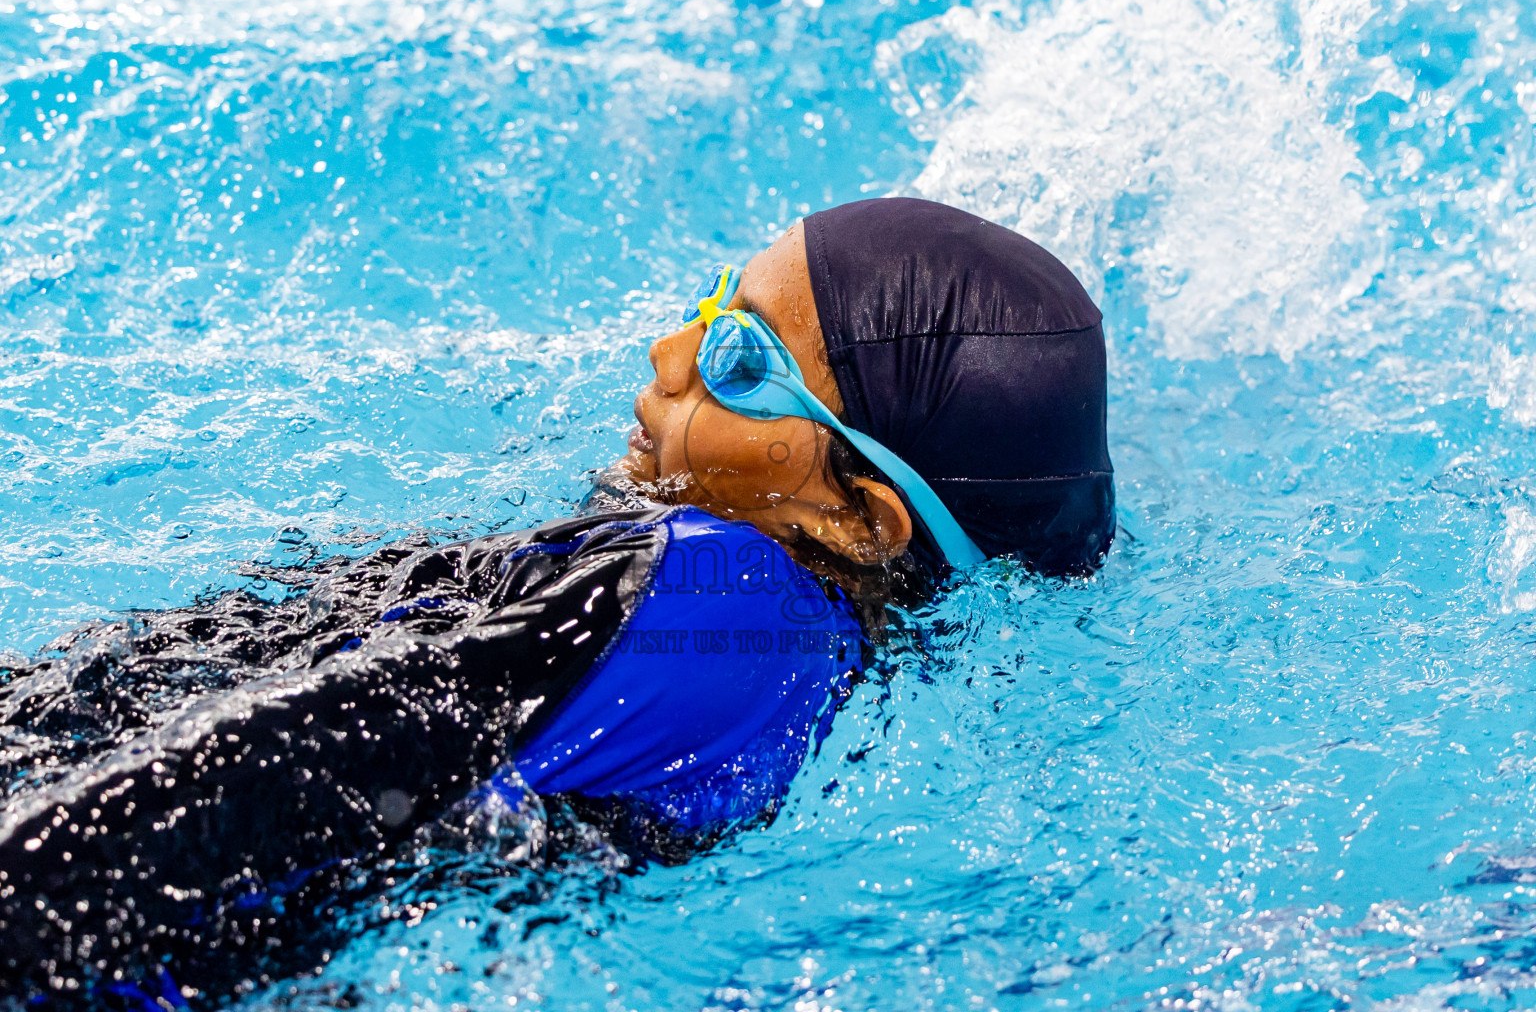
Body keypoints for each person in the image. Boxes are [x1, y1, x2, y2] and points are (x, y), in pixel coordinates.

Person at [0, 198, 1112, 1006]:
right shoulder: (813, 655)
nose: (668, 354)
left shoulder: (704, 586)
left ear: (861, 517)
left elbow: (276, 761)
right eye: (714, 307)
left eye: (737, 360)